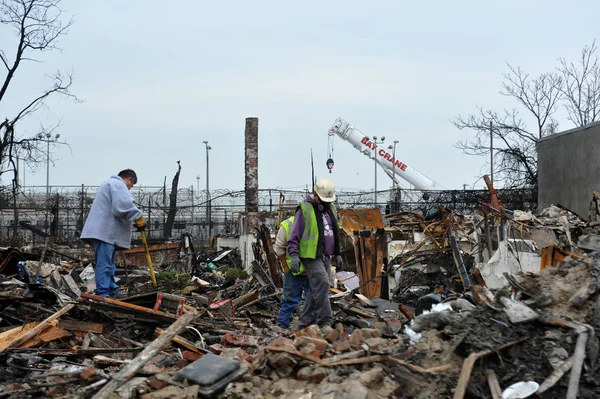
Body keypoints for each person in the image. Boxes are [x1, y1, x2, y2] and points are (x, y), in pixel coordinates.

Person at [287, 178, 343, 328]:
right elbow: (294, 234)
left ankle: (304, 322)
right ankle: (325, 320)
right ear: (316, 195)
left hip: (325, 255)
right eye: (323, 199)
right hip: (310, 255)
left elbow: (335, 231)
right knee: (323, 283)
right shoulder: (305, 209)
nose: (325, 203)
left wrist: (337, 253)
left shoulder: (330, 208)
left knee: (316, 289)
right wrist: (293, 255)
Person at [81, 169, 146, 298]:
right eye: (131, 185)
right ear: (128, 179)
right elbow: (123, 205)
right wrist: (138, 216)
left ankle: (111, 291)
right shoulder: (117, 184)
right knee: (105, 265)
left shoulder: (109, 184)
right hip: (104, 233)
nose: (129, 189)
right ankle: (103, 295)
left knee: (108, 265)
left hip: (103, 233)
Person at [274, 215, 310, 329]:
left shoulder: (313, 222)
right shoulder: (287, 225)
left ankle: (309, 327)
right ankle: (282, 326)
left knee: (312, 300)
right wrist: (285, 266)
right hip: (294, 271)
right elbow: (279, 249)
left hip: (310, 270)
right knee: (289, 300)